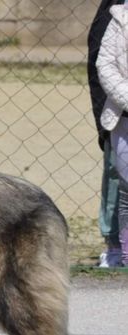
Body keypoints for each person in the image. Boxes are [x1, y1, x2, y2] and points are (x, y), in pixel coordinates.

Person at [88, 0, 122, 267]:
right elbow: (102, 62)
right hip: (120, 111)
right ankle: (115, 246)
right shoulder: (116, 12)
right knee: (117, 174)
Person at [96, 0, 128, 267]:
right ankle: (125, 254)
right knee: (126, 188)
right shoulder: (118, 17)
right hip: (123, 118)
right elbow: (103, 64)